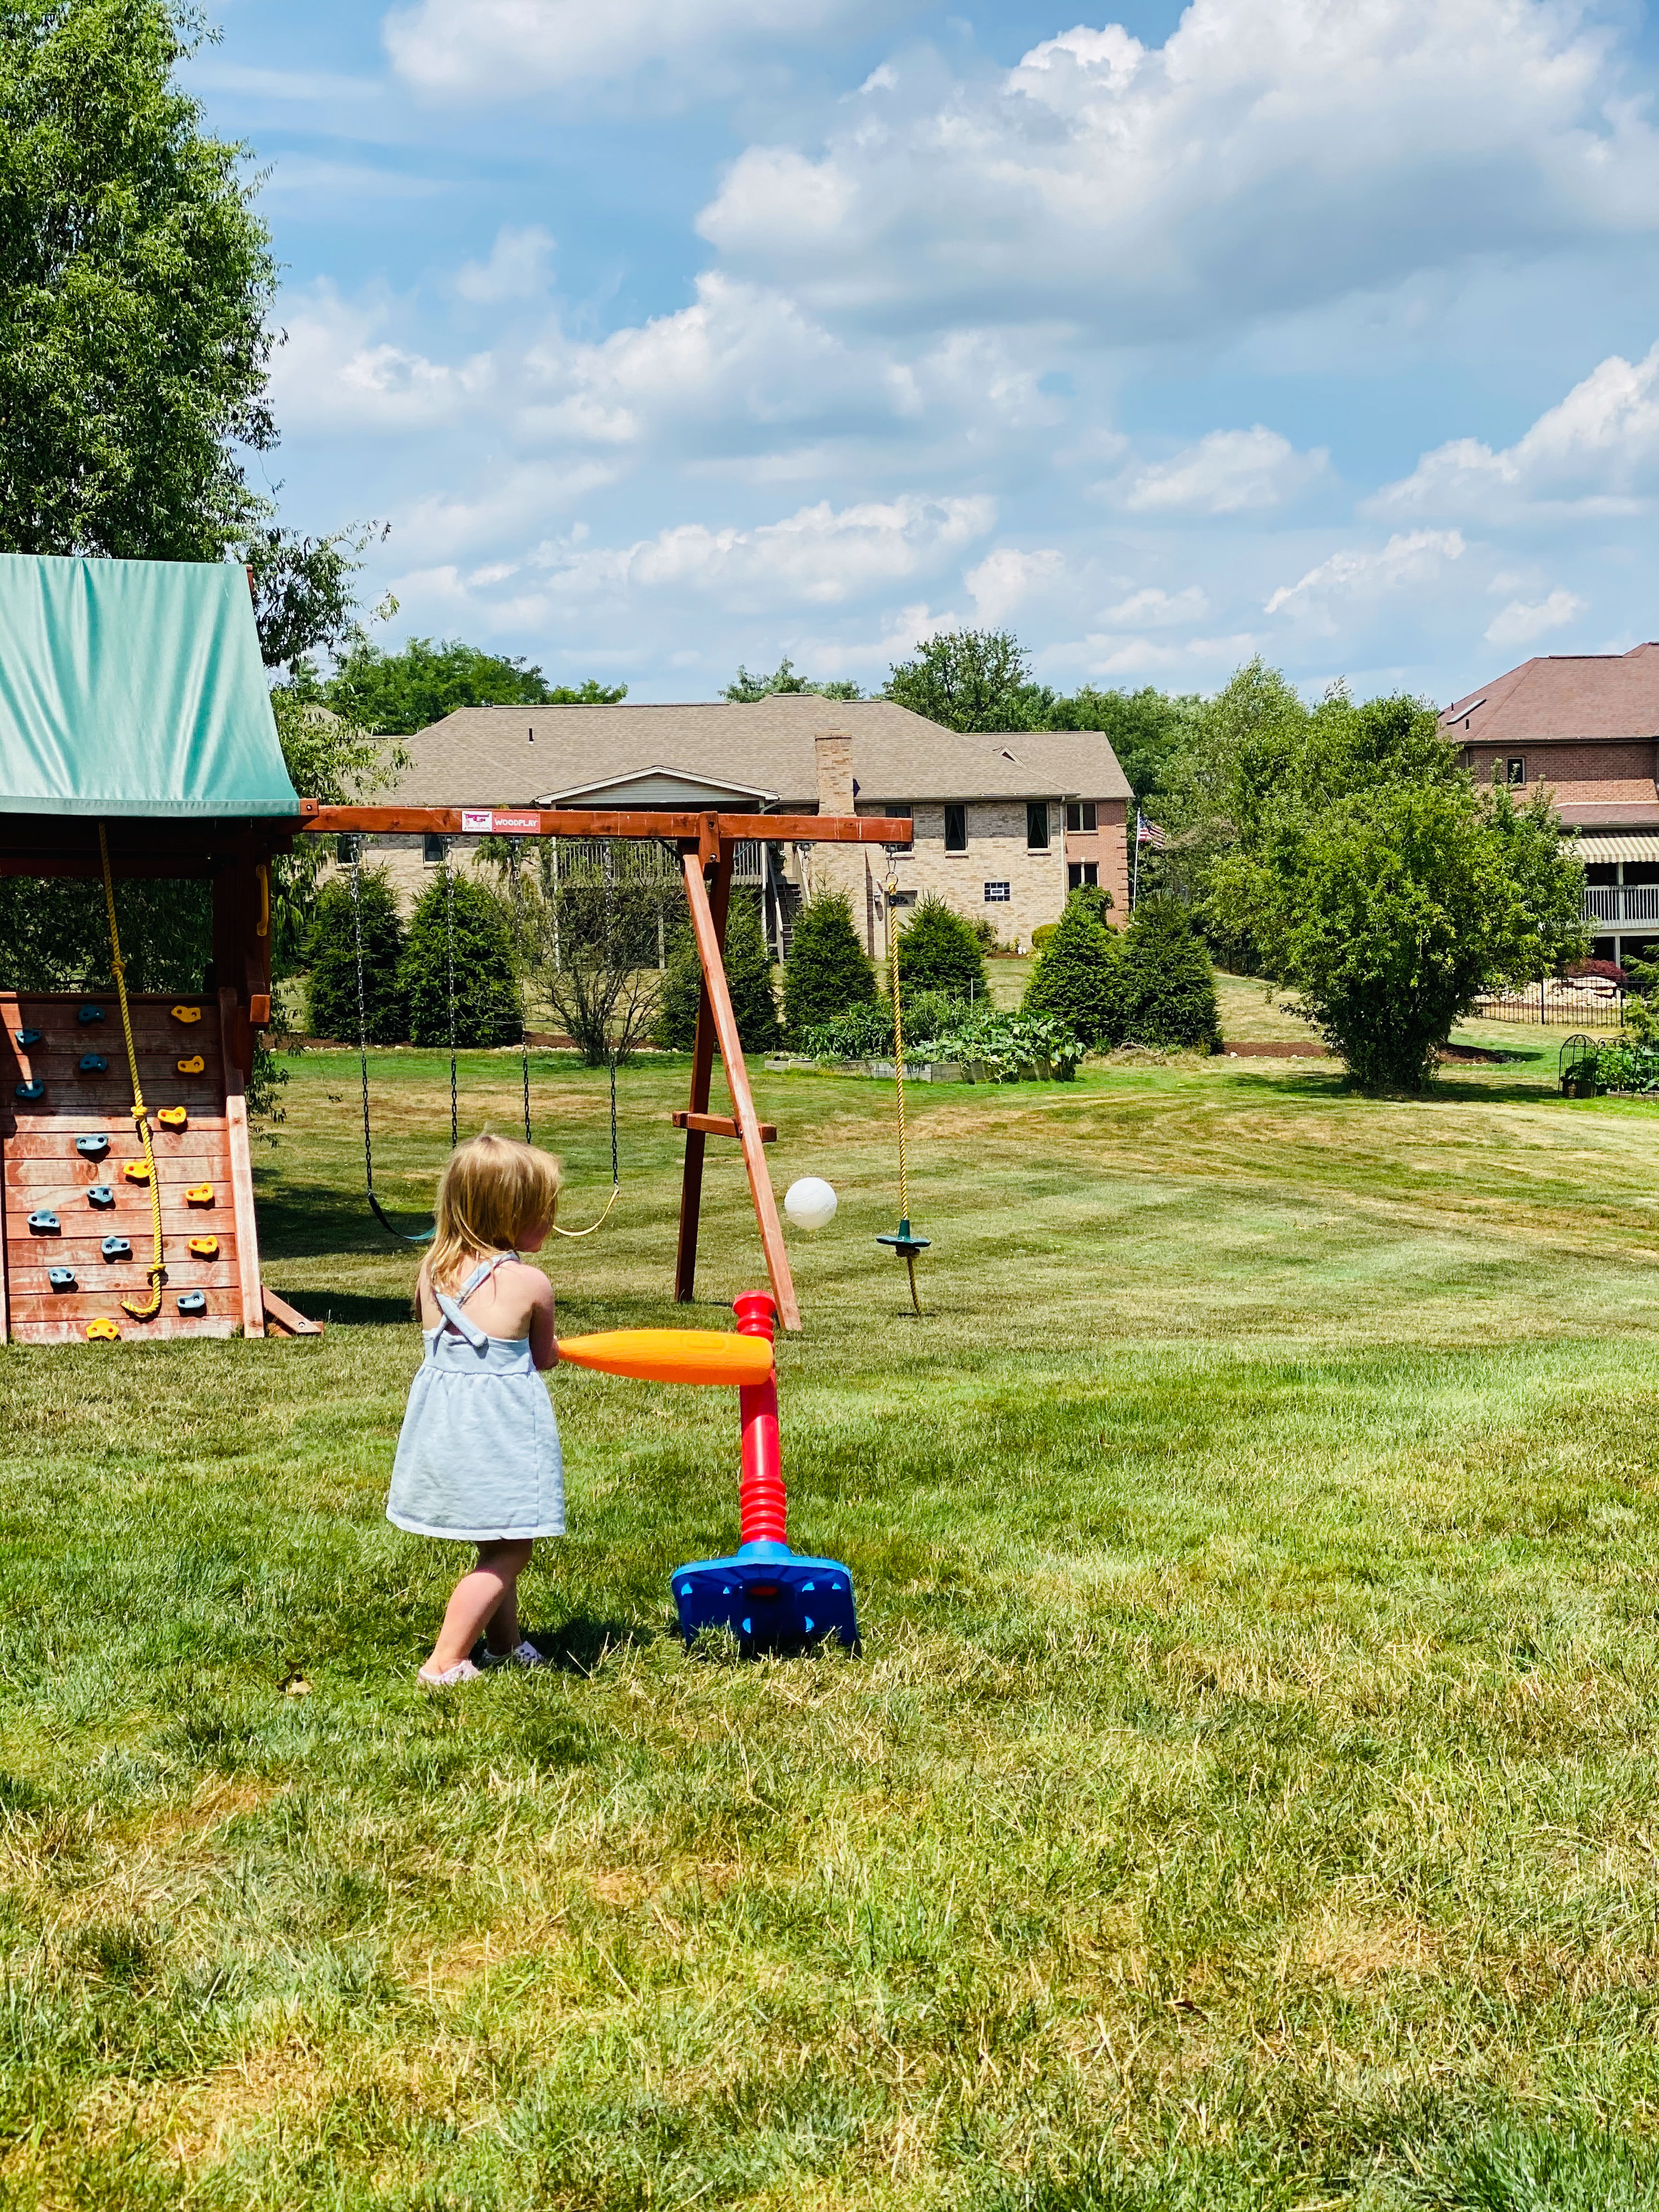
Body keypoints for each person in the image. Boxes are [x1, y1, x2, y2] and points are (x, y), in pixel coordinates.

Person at [388, 1131, 565, 1687]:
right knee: (513, 1549)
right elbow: (544, 1357)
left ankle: (504, 1644)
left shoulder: (431, 1272)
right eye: (543, 1209)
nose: (551, 1220)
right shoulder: (530, 1283)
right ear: (510, 1214)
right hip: (498, 1433)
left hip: (444, 1430)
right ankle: (445, 1660)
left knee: (495, 1537)